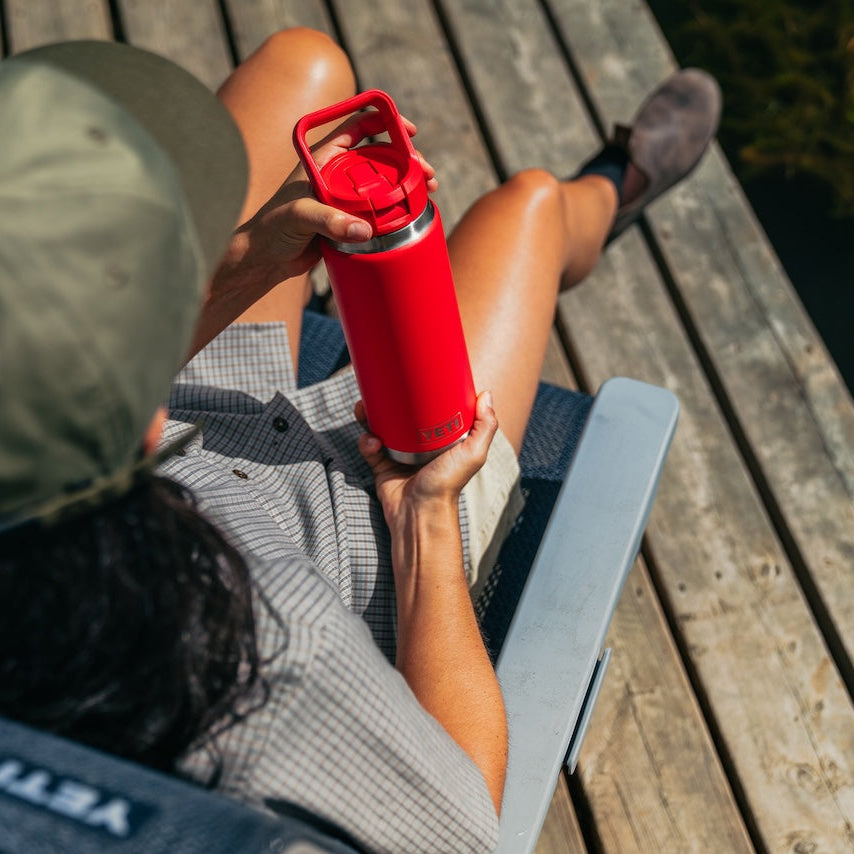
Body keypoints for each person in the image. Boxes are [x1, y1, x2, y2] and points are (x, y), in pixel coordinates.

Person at [0, 31, 720, 853]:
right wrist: (427, 519)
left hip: (188, 440)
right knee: (524, 209)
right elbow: (463, 829)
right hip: (376, 533)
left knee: (303, 66)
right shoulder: (270, 663)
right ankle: (605, 194)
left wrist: (244, 264)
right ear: (140, 412)